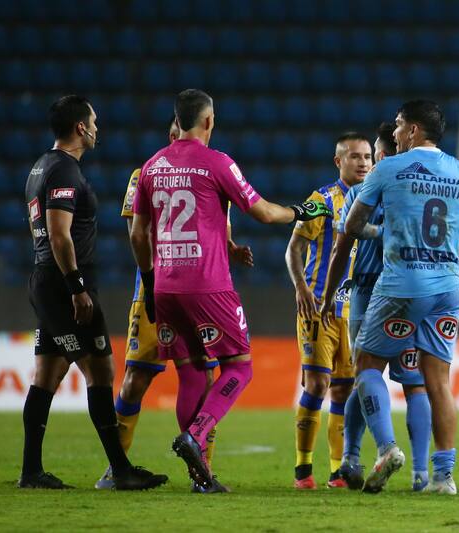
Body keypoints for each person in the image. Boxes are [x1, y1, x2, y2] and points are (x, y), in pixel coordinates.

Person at [130, 89, 331, 490]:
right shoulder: (216, 162)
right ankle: (195, 435)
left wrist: (151, 284)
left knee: (192, 374)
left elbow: (138, 234)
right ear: (208, 121)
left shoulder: (151, 166)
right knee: (240, 366)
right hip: (207, 286)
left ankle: (201, 476)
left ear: (177, 120)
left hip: (166, 286)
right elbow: (264, 212)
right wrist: (303, 211)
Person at [344, 100, 459, 495]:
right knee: (438, 381)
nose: (394, 133)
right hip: (447, 290)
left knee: (367, 364)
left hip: (401, 286)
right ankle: (443, 477)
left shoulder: (388, 168)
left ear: (412, 130)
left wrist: (381, 231)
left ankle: (387, 449)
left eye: (398, 125)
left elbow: (354, 225)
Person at [95, 117, 254, 493]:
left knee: (200, 376)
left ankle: (202, 473)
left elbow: (214, 226)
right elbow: (137, 232)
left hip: (181, 289)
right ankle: (116, 467)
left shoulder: (205, 173)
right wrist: (150, 281)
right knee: (136, 379)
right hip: (154, 291)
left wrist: (230, 249)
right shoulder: (146, 173)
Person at [20, 94, 168, 490]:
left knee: (47, 373)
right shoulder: (64, 170)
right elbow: (59, 234)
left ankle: (31, 471)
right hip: (64, 286)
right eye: (94, 122)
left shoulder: (41, 166)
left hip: (48, 282)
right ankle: (121, 470)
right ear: (81, 128)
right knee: (100, 369)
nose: (98, 128)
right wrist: (76, 288)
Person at [319, 122, 432, 492]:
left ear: (381, 155)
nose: (367, 163)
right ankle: (421, 473)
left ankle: (363, 453)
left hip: (369, 291)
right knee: (415, 384)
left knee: (365, 373)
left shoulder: (362, 192)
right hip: (417, 290)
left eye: (371, 156)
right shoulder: (420, 191)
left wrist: (328, 294)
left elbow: (341, 247)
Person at [285, 132, 373, 489]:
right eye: (355, 156)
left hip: (354, 311)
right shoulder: (320, 200)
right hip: (318, 308)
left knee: (344, 390)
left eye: (367, 156)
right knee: (318, 384)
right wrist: (301, 287)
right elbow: (293, 248)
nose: (363, 162)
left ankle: (337, 471)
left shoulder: (372, 201)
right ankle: (303, 469)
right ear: (339, 161)